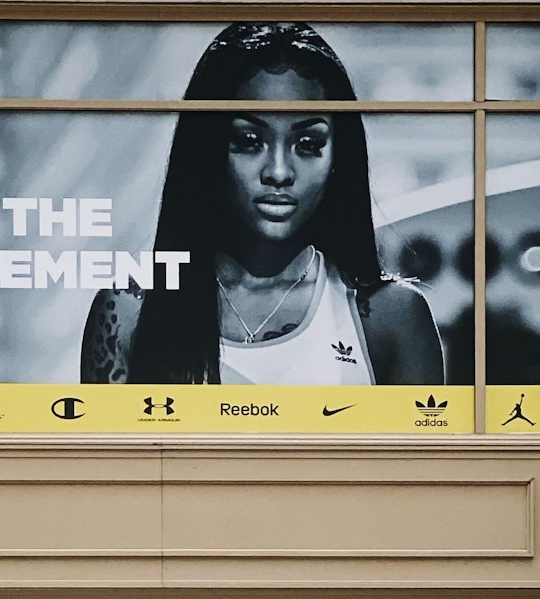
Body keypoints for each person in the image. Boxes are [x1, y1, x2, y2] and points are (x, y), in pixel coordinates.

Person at [80, 21, 443, 387]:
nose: (279, 171)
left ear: (338, 157)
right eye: (250, 140)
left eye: (308, 144)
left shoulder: (391, 317)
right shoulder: (130, 310)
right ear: (207, 147)